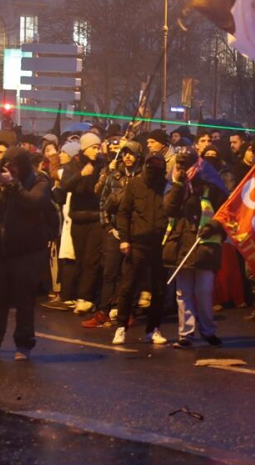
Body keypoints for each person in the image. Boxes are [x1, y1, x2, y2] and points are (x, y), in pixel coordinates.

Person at [0, 147, 56, 361]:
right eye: (6, 166)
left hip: (28, 251)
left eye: (13, 166)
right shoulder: (2, 183)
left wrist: (14, 185)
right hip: (2, 250)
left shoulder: (39, 180)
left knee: (24, 301)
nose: (9, 170)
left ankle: (23, 344)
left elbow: (34, 202)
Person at [164, 148, 228, 348]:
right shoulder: (174, 181)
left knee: (204, 291)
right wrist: (178, 185)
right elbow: (169, 209)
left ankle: (208, 331)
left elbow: (225, 211)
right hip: (182, 242)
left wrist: (213, 226)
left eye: (185, 164)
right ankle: (186, 333)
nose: (182, 168)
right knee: (182, 293)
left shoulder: (211, 181)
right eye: (179, 164)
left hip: (204, 244)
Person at [110, 151, 170, 345]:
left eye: (158, 164)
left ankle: (153, 329)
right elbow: (124, 213)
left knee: (159, 289)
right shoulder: (135, 184)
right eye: (151, 164)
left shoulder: (167, 186)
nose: (154, 168)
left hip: (160, 244)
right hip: (137, 243)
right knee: (128, 287)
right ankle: (121, 327)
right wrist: (124, 239)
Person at [83, 140, 143, 329]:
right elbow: (102, 201)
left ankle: (128, 312)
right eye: (124, 153)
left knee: (130, 274)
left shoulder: (143, 177)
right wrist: (107, 226)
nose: (127, 157)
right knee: (109, 272)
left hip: (134, 232)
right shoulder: (113, 176)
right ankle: (103, 312)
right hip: (114, 230)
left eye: (131, 153)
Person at [60, 132, 104, 315]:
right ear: (85, 148)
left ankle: (86, 298)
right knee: (80, 258)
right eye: (94, 147)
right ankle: (81, 296)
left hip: (95, 218)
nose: (97, 150)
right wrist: (81, 174)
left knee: (91, 260)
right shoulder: (72, 165)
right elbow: (65, 187)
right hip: (78, 217)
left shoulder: (102, 164)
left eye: (98, 147)